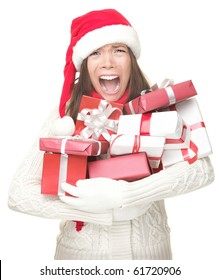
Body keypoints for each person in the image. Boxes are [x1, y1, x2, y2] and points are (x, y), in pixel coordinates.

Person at [8, 8, 214, 260]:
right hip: (80, 263)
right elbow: (18, 194)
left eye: (118, 50)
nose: (108, 62)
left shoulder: (158, 107)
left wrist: (127, 195)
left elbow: (202, 170)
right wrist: (94, 210)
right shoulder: (67, 116)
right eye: (96, 52)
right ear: (84, 66)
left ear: (132, 60)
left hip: (151, 260)